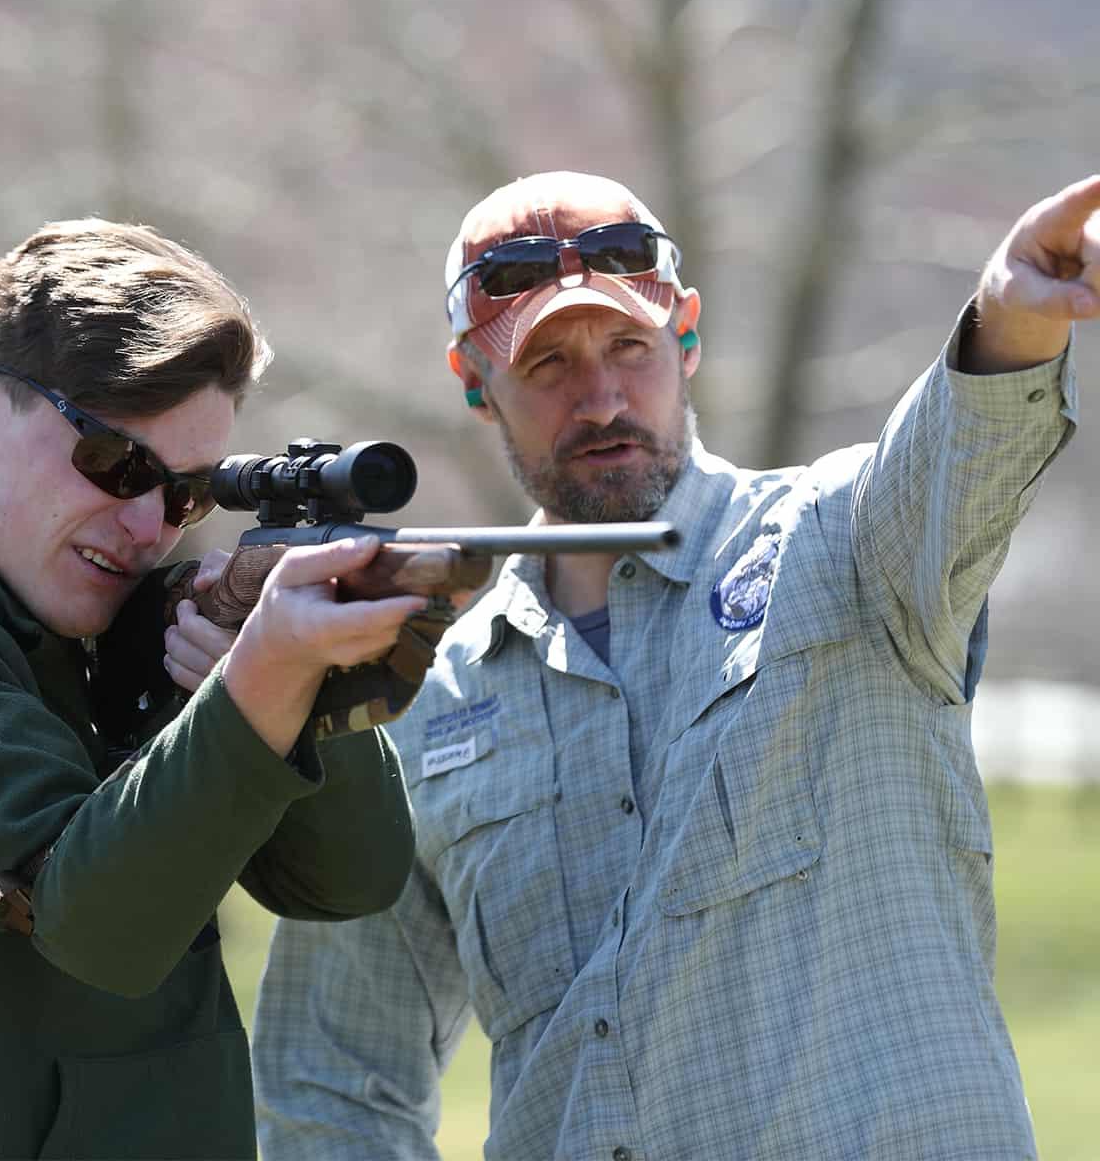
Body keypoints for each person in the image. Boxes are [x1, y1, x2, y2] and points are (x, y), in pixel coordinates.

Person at [248, 169, 1097, 1160]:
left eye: (629, 346)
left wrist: (1007, 317)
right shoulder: (420, 702)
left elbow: (962, 452)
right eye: (548, 363)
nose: (601, 396)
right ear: (476, 386)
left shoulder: (852, 546)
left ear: (685, 334)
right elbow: (330, 1084)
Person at [0, 219, 425, 1161]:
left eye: (186, 493)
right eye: (117, 464)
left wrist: (302, 678)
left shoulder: (108, 623)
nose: (148, 526)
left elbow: (350, 878)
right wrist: (254, 686)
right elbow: (91, 922)